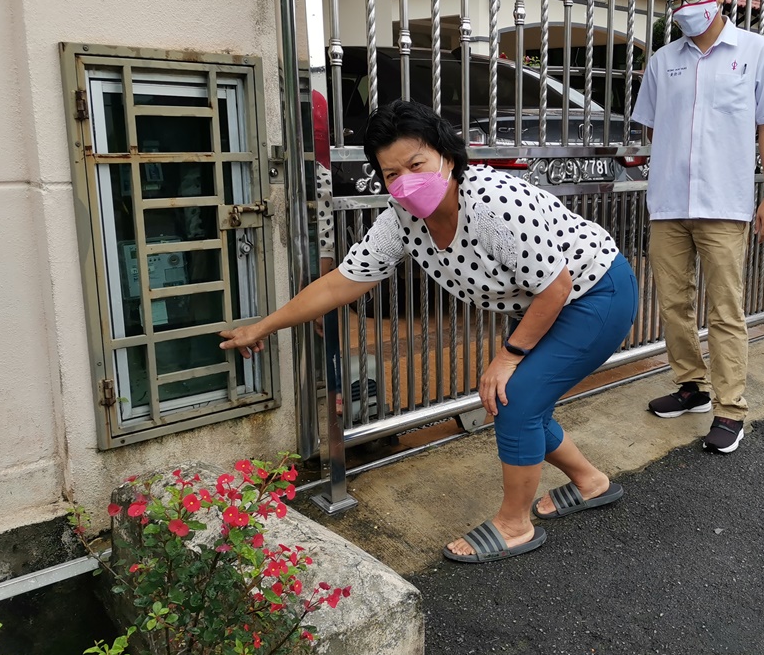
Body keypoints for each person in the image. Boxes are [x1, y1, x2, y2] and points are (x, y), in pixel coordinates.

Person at [221, 100, 639, 563]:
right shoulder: (401, 219)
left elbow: (556, 286)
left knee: (514, 398)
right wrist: (263, 326)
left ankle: (515, 525)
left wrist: (508, 356)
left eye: (415, 164)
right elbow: (343, 281)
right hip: (545, 302)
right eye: (391, 173)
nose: (404, 180)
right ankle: (590, 482)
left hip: (595, 293)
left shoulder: (494, 203)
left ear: (446, 155)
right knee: (526, 403)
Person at [631, 0, 764, 454]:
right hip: (669, 205)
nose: (685, 5)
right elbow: (657, 129)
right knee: (673, 303)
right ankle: (692, 387)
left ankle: (730, 408)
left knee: (726, 310)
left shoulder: (755, 51)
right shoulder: (664, 61)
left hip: (724, 205)